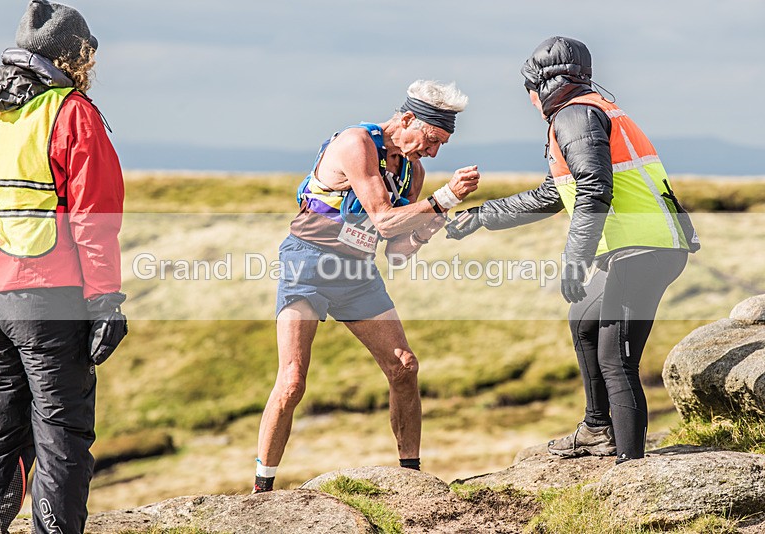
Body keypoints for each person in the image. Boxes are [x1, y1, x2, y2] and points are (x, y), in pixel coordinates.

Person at [446, 36, 698, 463]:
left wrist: (574, 259)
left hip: (643, 249)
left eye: (528, 88)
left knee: (614, 357)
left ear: (544, 84)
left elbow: (594, 190)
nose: (528, 100)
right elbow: (553, 193)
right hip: (644, 246)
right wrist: (482, 216)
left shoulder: (575, 116)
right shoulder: (586, 112)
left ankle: (630, 469)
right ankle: (598, 429)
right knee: (583, 320)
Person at [253, 80, 480, 492]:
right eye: (431, 139)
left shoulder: (413, 169)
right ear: (407, 118)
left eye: (441, 145)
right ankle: (261, 489)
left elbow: (395, 251)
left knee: (405, 366)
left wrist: (433, 226)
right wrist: (443, 199)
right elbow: (383, 219)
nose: (432, 151)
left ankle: (411, 479)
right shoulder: (356, 143)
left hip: (357, 274)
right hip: (308, 264)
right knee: (292, 380)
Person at [0, 1, 127, 531]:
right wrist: (105, 301)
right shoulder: (71, 111)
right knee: (62, 430)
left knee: (3, 427)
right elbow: (94, 217)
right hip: (48, 298)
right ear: (73, 57)